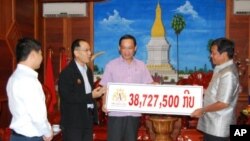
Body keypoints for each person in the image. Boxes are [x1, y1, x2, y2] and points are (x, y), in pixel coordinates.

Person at [100, 34, 154, 141]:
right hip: (116, 113)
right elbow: (105, 87)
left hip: (134, 113)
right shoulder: (111, 65)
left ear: (135, 48)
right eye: (124, 48)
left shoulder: (141, 66)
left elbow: (149, 85)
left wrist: (157, 87)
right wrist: (104, 103)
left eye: (129, 48)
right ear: (119, 48)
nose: (126, 51)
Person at [191, 37, 240, 141]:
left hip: (219, 128)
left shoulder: (228, 73)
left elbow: (223, 103)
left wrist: (202, 110)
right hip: (213, 125)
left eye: (214, 53)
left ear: (224, 54)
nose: (211, 56)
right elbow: (216, 92)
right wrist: (198, 91)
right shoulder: (221, 69)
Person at [6, 38, 53, 141]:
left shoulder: (13, 78)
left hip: (16, 136)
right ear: (33, 55)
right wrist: (47, 131)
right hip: (30, 138)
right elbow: (37, 115)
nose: (42, 57)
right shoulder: (30, 81)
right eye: (40, 54)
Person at [58, 39, 105, 141]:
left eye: (90, 50)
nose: (89, 53)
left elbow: (87, 92)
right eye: (86, 50)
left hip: (87, 119)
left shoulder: (88, 71)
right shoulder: (67, 73)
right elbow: (68, 97)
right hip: (73, 122)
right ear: (76, 53)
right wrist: (91, 96)